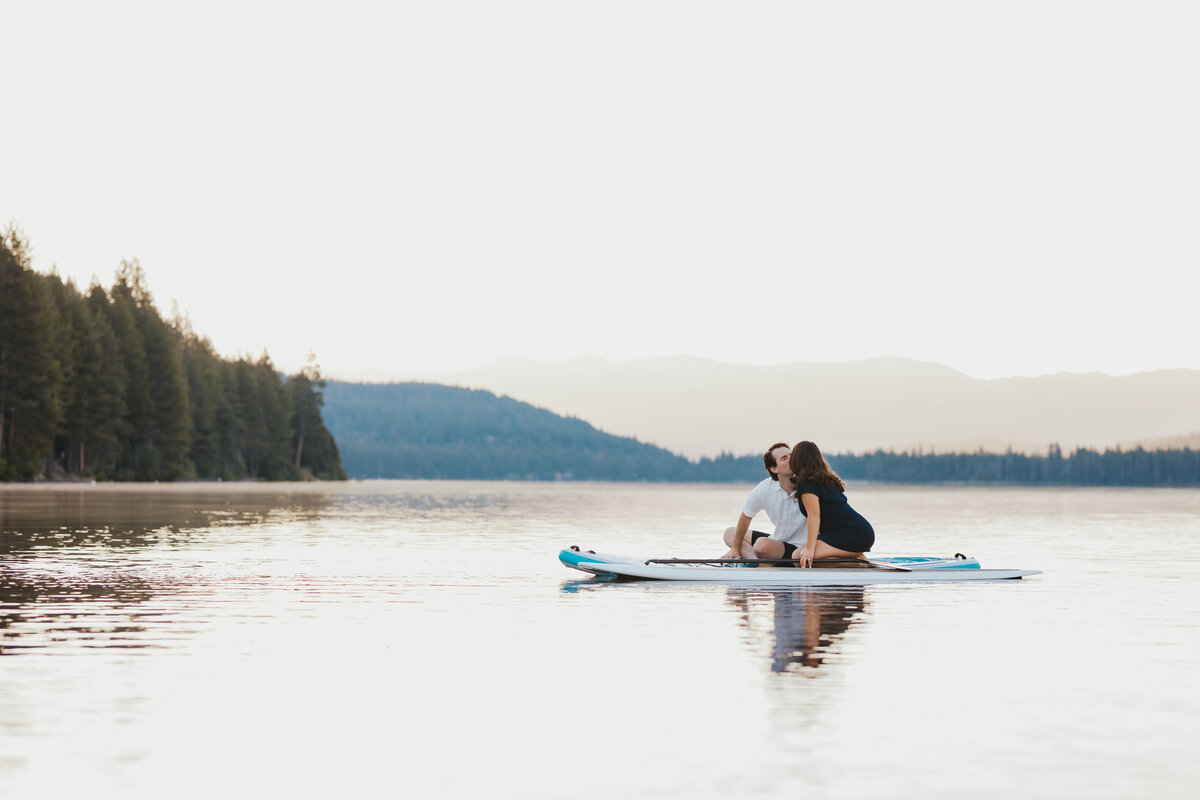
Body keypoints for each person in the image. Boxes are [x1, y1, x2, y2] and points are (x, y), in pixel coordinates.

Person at [790, 440, 875, 568]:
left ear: (797, 460)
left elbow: (814, 515)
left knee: (802, 560)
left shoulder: (806, 483)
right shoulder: (824, 479)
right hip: (851, 532)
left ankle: (858, 564)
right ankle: (855, 557)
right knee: (796, 557)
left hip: (854, 533)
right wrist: (810, 548)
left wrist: (810, 549)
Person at [720, 442, 807, 562]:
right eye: (784, 458)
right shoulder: (764, 488)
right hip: (777, 542)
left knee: (761, 546)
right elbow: (746, 516)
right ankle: (757, 561)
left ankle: (760, 562)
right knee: (730, 534)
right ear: (774, 469)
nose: (791, 459)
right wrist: (735, 549)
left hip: (800, 547)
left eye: (791, 455)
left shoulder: (808, 485)